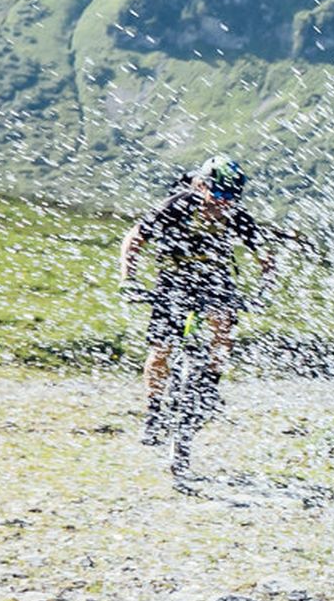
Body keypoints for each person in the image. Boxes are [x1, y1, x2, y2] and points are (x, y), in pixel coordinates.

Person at [118, 158, 277, 440]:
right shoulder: (178, 205)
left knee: (223, 323)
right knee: (161, 350)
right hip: (173, 277)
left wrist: (265, 289)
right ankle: (154, 413)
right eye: (218, 193)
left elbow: (264, 255)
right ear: (201, 186)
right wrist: (127, 279)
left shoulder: (237, 216)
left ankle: (209, 385)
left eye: (232, 196)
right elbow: (135, 238)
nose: (224, 202)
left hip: (213, 278)